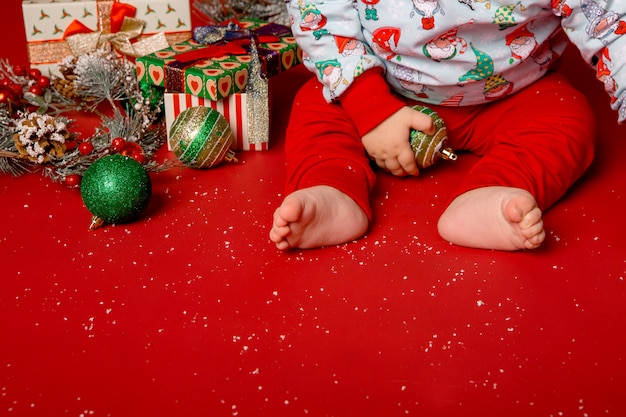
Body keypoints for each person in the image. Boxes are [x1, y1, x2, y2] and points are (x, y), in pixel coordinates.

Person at [270, 0, 625, 251]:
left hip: (511, 96)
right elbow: (320, 12)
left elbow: (612, 25)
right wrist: (368, 105)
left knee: (566, 116)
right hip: (381, 86)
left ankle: (493, 191)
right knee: (316, 101)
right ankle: (332, 186)